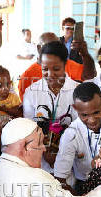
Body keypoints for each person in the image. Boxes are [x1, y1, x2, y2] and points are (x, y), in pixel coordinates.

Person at [23, 41, 79, 174]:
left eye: (56, 69)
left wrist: (61, 151)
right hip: (40, 163)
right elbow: (29, 128)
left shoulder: (77, 90)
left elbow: (80, 128)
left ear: (65, 65)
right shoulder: (32, 92)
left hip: (70, 162)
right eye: (45, 69)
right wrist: (45, 151)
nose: (50, 74)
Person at [18, 32, 96, 100]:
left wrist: (84, 54)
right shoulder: (27, 76)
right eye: (49, 47)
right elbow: (26, 110)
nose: (55, 51)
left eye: (57, 46)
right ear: (39, 48)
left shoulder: (67, 64)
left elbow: (89, 75)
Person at [0, 64, 22, 131]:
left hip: (11, 129)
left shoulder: (13, 98)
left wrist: (3, 108)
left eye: (7, 84)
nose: (4, 88)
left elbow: (18, 113)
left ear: (11, 83)